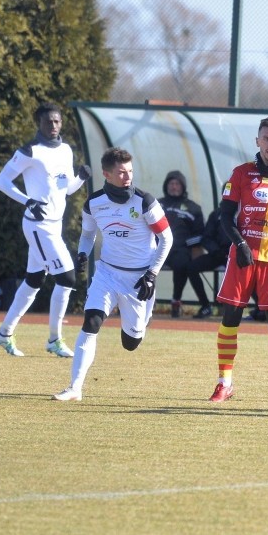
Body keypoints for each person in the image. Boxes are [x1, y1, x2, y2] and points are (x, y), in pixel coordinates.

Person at [52, 147, 174, 401]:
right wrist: (83, 254)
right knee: (91, 322)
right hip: (107, 273)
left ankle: (140, 324)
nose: (127, 177)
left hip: (139, 279)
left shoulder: (145, 201)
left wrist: (152, 274)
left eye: (130, 171)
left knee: (131, 343)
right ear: (106, 174)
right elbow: (87, 235)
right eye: (121, 172)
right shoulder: (93, 204)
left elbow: (167, 239)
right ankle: (75, 388)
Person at [209, 116, 268, 404]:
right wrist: (239, 243)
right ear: (257, 141)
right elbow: (225, 217)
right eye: (266, 138)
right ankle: (224, 382)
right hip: (243, 258)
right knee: (230, 318)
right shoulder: (240, 174)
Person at [0, 101, 91, 358]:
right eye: (49, 122)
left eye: (57, 121)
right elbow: (2, 181)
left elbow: (67, 189)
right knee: (67, 278)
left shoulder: (66, 150)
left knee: (34, 280)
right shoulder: (30, 151)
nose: (54, 126)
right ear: (40, 123)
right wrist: (27, 200)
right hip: (37, 225)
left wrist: (80, 177)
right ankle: (54, 339)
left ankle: (4, 333)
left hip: (54, 225)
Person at [158, 170, 204, 318]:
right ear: (166, 186)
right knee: (141, 263)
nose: (174, 187)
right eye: (171, 183)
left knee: (183, 264)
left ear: (183, 186)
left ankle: (176, 299)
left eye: (177, 184)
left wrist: (191, 247)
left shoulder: (193, 208)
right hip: (157, 248)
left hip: (180, 250)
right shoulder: (157, 204)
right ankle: (140, 300)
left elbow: (199, 233)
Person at [186, 185, 233, 319]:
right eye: (227, 192)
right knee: (191, 268)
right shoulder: (217, 214)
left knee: (247, 272)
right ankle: (206, 306)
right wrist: (216, 251)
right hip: (218, 254)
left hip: (237, 255)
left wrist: (234, 251)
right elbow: (206, 237)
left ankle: (259, 308)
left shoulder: (245, 211)